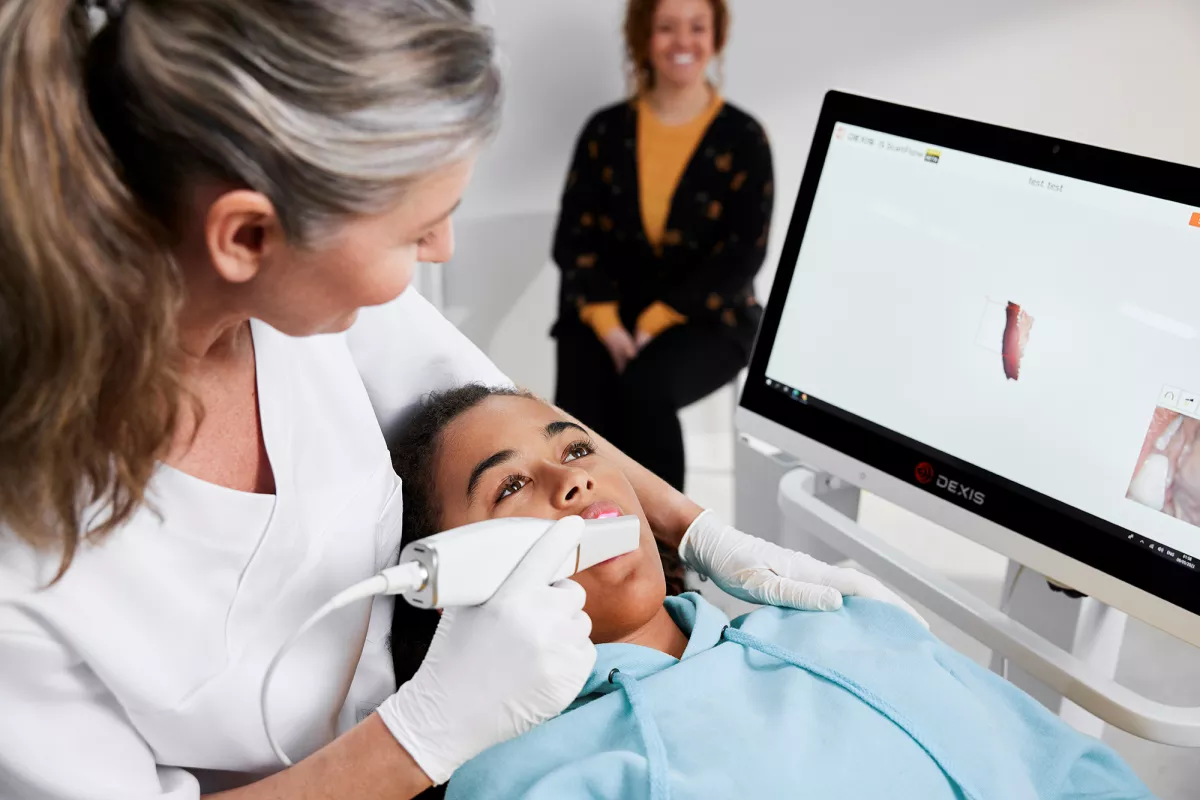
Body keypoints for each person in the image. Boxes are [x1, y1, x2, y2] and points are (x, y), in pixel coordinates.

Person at [0, 2, 911, 799]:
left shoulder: (308, 301)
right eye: (412, 225)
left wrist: (694, 528)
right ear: (246, 234)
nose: (438, 250)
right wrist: (421, 737)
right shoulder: (21, 568)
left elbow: (524, 428)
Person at [389, 385, 1155, 800]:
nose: (575, 479)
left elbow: (1066, 768)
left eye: (579, 448)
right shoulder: (534, 777)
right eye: (512, 484)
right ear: (452, 570)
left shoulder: (840, 621)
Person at [552, 0, 771, 496]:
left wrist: (656, 320)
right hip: (605, 308)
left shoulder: (744, 138)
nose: (683, 42)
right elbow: (573, 239)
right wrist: (608, 325)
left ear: (716, 37)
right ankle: (577, 543)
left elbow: (743, 256)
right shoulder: (605, 130)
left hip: (711, 317)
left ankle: (666, 552)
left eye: (698, 27)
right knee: (575, 411)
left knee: (643, 389)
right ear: (642, 39)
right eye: (666, 28)